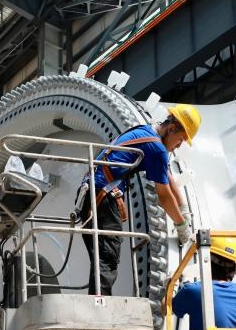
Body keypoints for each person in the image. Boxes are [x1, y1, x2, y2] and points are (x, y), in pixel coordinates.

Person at [78, 104, 202, 295]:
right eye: (181, 139)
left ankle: (97, 302)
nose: (179, 145)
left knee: (102, 258)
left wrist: (183, 208)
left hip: (91, 194)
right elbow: (164, 195)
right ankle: (99, 305)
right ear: (171, 128)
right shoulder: (157, 148)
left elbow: (167, 175)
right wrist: (181, 225)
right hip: (104, 199)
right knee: (107, 258)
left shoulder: (146, 132)